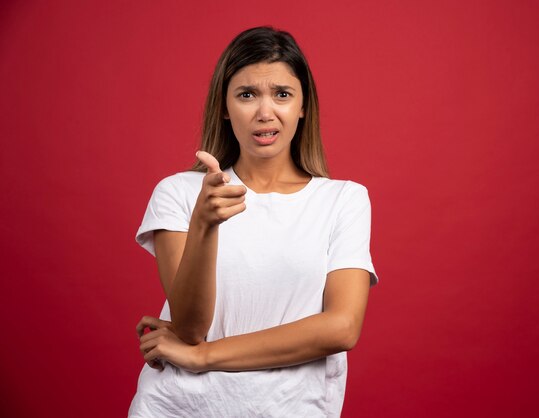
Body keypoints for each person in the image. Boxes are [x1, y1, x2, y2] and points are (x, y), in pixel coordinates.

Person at [129, 26, 378, 418]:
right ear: (225, 106)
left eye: (282, 94)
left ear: (302, 105)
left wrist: (205, 356)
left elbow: (342, 327)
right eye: (247, 94)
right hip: (177, 407)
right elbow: (191, 328)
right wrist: (204, 226)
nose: (265, 112)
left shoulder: (343, 200)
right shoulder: (180, 192)